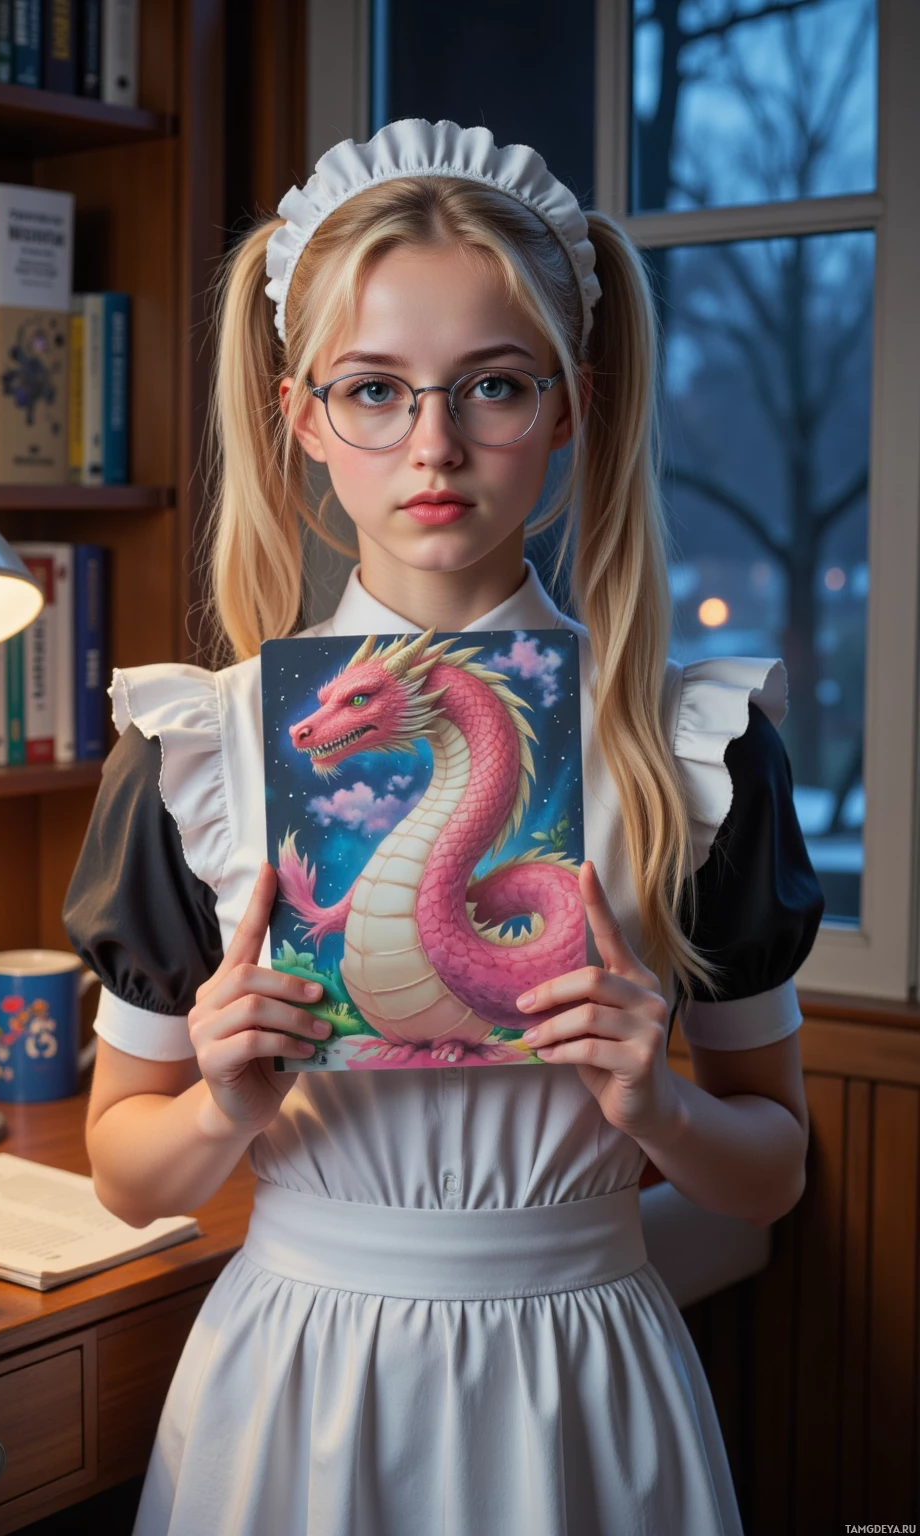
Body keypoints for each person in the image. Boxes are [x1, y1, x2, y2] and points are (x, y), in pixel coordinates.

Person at [63, 119, 824, 1535]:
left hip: (587, 1383)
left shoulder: (693, 747)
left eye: (491, 386)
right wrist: (222, 1101)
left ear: (572, 401)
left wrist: (657, 1104)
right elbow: (121, 1173)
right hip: (294, 1382)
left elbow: (771, 1168)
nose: (434, 444)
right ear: (302, 418)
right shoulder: (202, 749)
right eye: (373, 391)